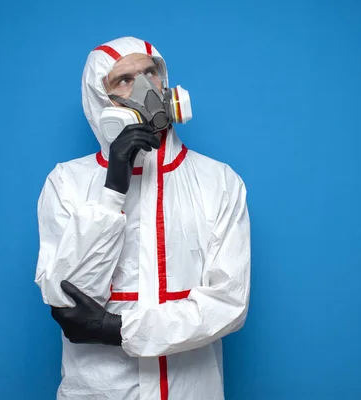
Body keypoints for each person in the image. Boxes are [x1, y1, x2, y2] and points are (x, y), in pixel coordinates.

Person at [34, 36, 251, 400]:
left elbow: (229, 303)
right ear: (100, 98)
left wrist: (119, 329)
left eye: (152, 72)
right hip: (102, 391)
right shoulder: (66, 182)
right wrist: (112, 188)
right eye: (124, 79)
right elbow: (69, 300)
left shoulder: (219, 181)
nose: (146, 87)